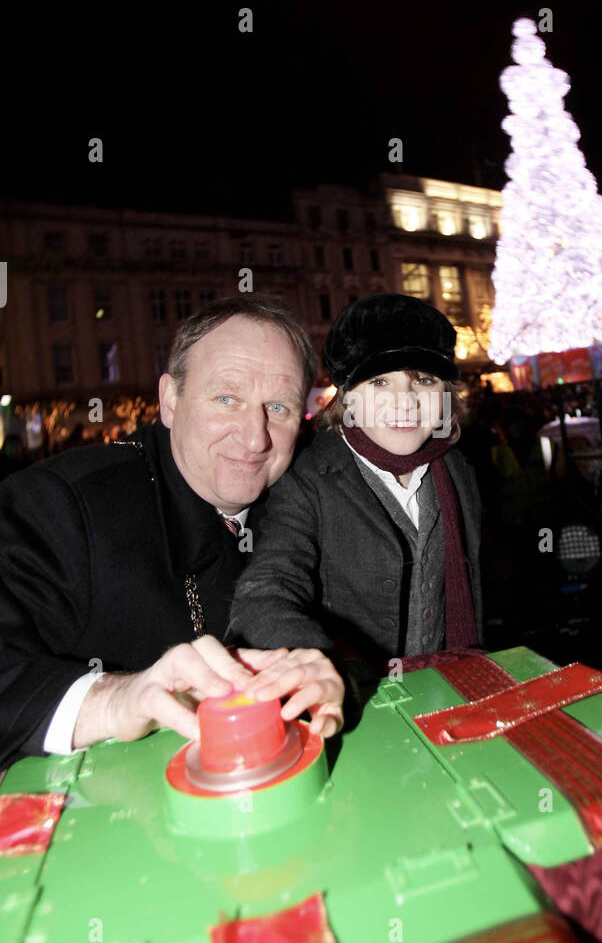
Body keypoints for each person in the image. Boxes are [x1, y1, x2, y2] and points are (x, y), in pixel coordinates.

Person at [0, 296, 345, 773]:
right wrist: (115, 700)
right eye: (226, 399)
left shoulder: (314, 502)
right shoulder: (60, 504)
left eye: (279, 408)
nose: (254, 438)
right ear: (169, 400)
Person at [228, 294, 483, 673]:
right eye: (380, 382)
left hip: (448, 690)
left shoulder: (458, 469)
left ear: (446, 394)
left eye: (424, 380)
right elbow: (267, 589)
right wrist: (310, 666)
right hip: (359, 703)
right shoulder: (306, 480)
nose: (405, 402)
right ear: (346, 397)